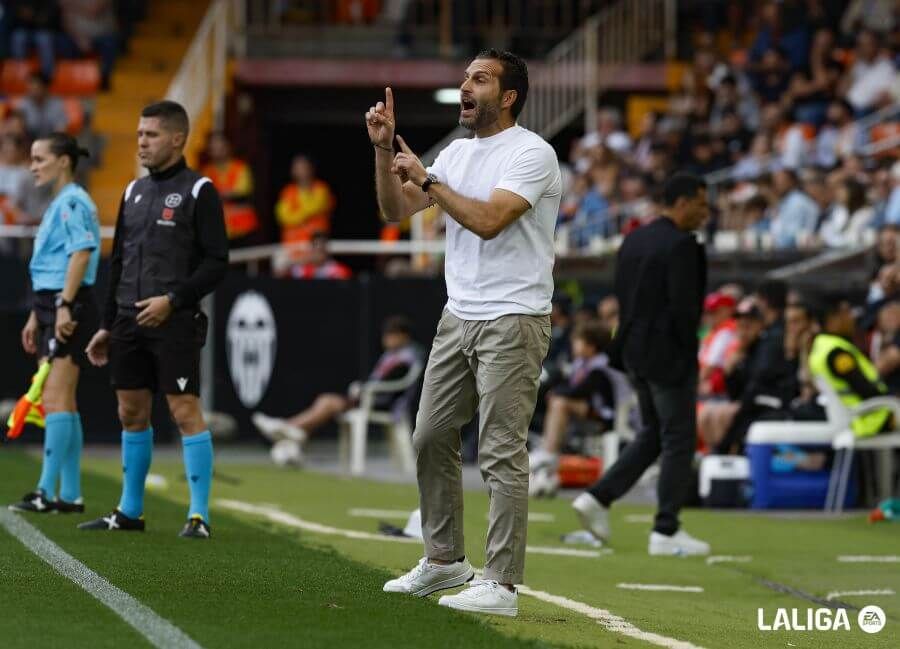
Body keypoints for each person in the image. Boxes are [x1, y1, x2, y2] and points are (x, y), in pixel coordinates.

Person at [368, 49, 560, 615]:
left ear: (508, 97)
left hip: (514, 315)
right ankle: (446, 559)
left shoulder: (533, 153)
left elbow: (488, 220)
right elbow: (392, 211)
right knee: (429, 435)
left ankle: (500, 584)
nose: (464, 86)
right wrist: (384, 155)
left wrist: (427, 179)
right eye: (464, 78)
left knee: (501, 450)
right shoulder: (455, 151)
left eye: (479, 79)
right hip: (459, 314)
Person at [79, 101, 228, 538]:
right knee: (130, 412)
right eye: (140, 134)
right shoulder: (132, 192)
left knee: (184, 411)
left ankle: (198, 515)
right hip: (126, 321)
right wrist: (107, 324)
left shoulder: (200, 190)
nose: (141, 141)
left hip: (175, 322)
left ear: (177, 138)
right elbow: (119, 261)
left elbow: (218, 262)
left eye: (151, 134)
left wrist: (174, 299)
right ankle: (130, 511)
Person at [571, 172, 711, 557]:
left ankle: (597, 497)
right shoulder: (683, 245)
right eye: (701, 203)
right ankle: (666, 529)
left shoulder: (633, 239)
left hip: (633, 351)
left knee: (653, 433)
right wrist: (688, 357)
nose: (706, 212)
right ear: (681, 203)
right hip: (668, 357)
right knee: (679, 438)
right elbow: (685, 312)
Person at [8, 133, 99, 514]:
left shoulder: (73, 202)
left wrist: (63, 306)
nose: (33, 166)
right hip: (52, 304)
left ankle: (46, 491)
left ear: (64, 161)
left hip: (67, 304)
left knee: (55, 398)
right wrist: (36, 312)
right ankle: (71, 494)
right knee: (65, 401)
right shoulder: (60, 202)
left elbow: (80, 255)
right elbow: (53, 262)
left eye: (40, 159)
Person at [251, 316, 424, 464]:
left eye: (392, 335)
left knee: (327, 402)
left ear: (403, 336)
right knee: (326, 400)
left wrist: (364, 390)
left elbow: (390, 385)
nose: (387, 339)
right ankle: (293, 433)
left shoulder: (407, 357)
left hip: (385, 404)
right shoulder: (390, 355)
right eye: (386, 335)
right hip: (372, 398)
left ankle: (289, 428)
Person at [528, 321, 631, 497]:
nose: (574, 345)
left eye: (578, 341)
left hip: (607, 419)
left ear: (591, 346)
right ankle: (548, 451)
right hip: (588, 415)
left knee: (560, 403)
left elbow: (581, 391)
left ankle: (549, 452)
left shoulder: (600, 366)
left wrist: (556, 393)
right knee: (558, 401)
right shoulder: (581, 363)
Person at [201, 132, 259, 246]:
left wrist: (218, 194)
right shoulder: (206, 171)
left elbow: (243, 191)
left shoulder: (240, 167)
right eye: (213, 147)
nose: (217, 150)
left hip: (243, 228)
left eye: (220, 146)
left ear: (228, 147)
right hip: (217, 229)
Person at [275, 155, 335, 244]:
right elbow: (283, 216)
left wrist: (298, 212)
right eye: (298, 168)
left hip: (316, 244)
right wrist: (302, 215)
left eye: (304, 167)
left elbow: (316, 206)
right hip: (293, 244)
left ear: (311, 168)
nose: (301, 171)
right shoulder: (288, 192)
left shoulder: (321, 188)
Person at [18, 73, 68, 140]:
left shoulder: (56, 104)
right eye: (30, 88)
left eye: (36, 88)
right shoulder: (24, 104)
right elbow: (18, 128)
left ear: (45, 88)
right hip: (29, 142)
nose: (33, 92)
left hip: (50, 143)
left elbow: (60, 130)